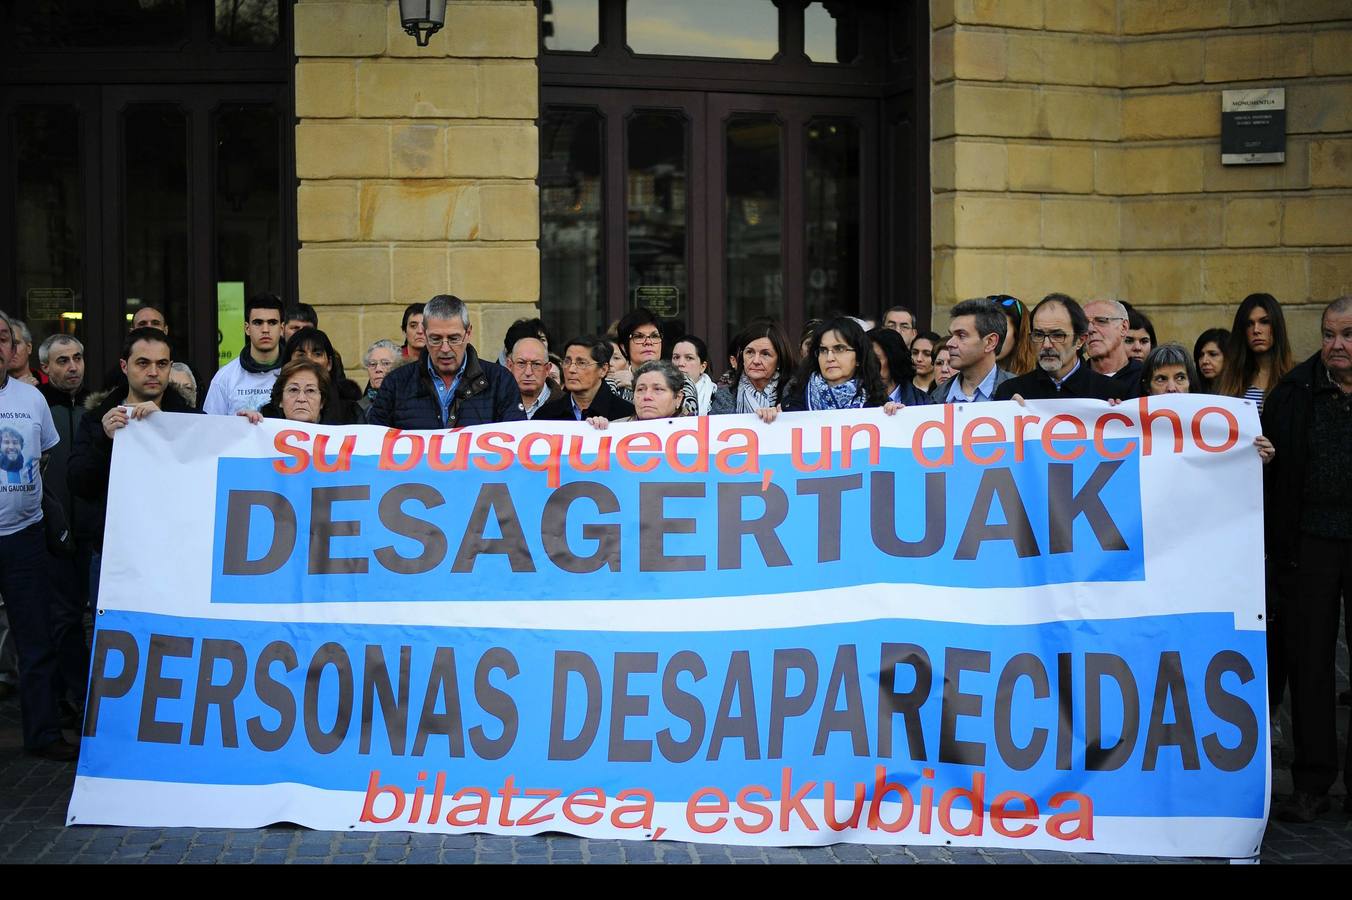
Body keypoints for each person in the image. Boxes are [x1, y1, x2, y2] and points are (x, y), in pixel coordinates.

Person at [1262, 296, 1352, 823]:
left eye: (1347, 334)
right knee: (1310, 665)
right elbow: (1270, 473)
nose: (1336, 344)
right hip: (1309, 544)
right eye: (1329, 333)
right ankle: (1312, 782)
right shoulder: (1293, 392)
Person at [70, 327, 201, 614]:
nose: (153, 372)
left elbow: (210, 478)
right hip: (115, 557)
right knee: (113, 646)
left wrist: (167, 428)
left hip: (177, 557)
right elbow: (80, 484)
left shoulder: (193, 421)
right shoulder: (97, 420)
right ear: (124, 366)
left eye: (162, 364)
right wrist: (105, 442)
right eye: (143, 363)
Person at [0, 309, 73, 761]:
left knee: (35, 639)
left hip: (23, 537)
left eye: (4, 338)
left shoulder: (32, 401)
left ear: (13, 348)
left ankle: (43, 734)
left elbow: (44, 455)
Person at [36, 335, 93, 720]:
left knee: (88, 617)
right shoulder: (38, 408)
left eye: (77, 358)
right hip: (52, 533)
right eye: (62, 361)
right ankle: (70, 696)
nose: (72, 367)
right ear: (46, 368)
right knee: (63, 619)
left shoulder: (97, 408)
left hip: (91, 533)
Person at [367, 294, 524, 429]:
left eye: (453, 338)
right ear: (425, 334)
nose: (445, 348)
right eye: (435, 339)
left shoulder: (500, 380)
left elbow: (516, 442)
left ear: (468, 333)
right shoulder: (396, 383)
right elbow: (374, 446)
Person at [995, 294, 1133, 402]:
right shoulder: (1010, 391)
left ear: (1080, 340)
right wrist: (1010, 414)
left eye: (1058, 335)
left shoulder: (1113, 392)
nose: (1047, 345)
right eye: (1039, 335)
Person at [782, 316, 893, 412]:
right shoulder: (794, 402)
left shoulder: (878, 404)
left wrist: (894, 415)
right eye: (823, 350)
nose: (829, 358)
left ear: (859, 356)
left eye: (839, 349)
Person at [203, 293, 284, 415]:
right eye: (258, 323)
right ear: (247, 328)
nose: (265, 329)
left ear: (282, 328)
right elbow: (211, 429)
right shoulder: (224, 378)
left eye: (272, 323)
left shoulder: (295, 373)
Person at [1216, 292, 1293, 415]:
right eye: (1249, 324)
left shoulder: (1295, 377)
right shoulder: (1230, 378)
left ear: (1276, 326)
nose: (1256, 330)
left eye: (1264, 321)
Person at [612, 307, 698, 415]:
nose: (648, 342)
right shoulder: (613, 384)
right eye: (639, 336)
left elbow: (688, 420)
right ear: (624, 347)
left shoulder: (682, 382)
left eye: (654, 336)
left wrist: (635, 383)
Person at [931, 298, 1011, 403]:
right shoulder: (936, 396)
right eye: (951, 335)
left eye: (961, 335)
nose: (949, 343)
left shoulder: (1020, 392)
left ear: (990, 342)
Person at [536, 337, 635, 422]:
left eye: (581, 363)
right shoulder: (546, 415)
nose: (571, 369)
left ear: (603, 370)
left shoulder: (627, 416)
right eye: (567, 362)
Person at [709, 320, 797, 415]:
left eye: (765, 354)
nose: (756, 361)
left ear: (779, 360)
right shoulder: (722, 397)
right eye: (750, 352)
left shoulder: (796, 394)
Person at [279, 327, 364, 425]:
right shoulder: (269, 414)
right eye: (301, 355)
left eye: (317, 354)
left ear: (329, 364)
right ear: (288, 362)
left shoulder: (351, 412)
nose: (309, 360)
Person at [242, 359, 331, 425]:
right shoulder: (263, 432)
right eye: (293, 390)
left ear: (322, 401)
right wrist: (245, 426)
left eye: (310, 390)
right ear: (280, 400)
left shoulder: (339, 438)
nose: (301, 399)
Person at [1083, 299, 1143, 386]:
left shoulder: (1147, 378)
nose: (1090, 329)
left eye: (1101, 321)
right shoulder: (1071, 381)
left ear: (1124, 327)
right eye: (1084, 324)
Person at [869, 327, 932, 406]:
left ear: (894, 360)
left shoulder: (924, 402)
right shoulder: (852, 399)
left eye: (875, 359)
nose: (867, 365)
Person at [990, 295, 1037, 376]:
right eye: (984, 328)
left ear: (1019, 334)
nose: (990, 337)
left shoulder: (1039, 378)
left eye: (1000, 329)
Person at [509, 336, 553, 419]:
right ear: (510, 366)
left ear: (547, 369)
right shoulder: (494, 403)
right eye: (521, 363)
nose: (528, 372)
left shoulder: (567, 406)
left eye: (536, 364)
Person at [671, 335, 715, 415]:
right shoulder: (659, 393)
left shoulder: (718, 397)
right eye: (676, 357)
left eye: (689, 358)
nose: (680, 364)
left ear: (703, 367)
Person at [359, 339, 400, 418]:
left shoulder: (407, 404)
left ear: (398, 368)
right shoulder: (358, 408)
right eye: (373, 364)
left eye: (385, 363)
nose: (378, 369)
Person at [1193, 328, 1229, 394]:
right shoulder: (1192, 391)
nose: (1204, 361)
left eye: (1213, 354)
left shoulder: (1245, 392)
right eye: (1201, 355)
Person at [7, 320, 41, 386]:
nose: (10, 349)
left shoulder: (48, 381)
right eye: (5, 343)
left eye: (16, 343)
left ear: (29, 348)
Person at [910, 330, 942, 394]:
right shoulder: (902, 387)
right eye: (915, 353)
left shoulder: (944, 389)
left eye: (927, 354)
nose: (919, 359)